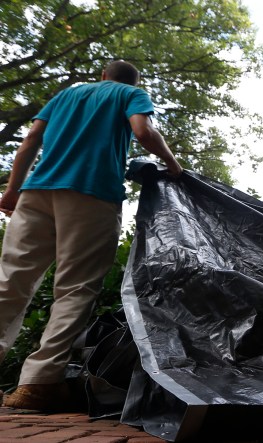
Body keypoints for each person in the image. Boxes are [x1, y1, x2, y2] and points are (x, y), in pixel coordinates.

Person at [0, 60, 183, 411]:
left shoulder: (66, 96)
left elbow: (29, 142)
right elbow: (143, 132)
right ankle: (37, 384)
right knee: (74, 288)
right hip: (92, 195)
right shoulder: (131, 94)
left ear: (102, 76)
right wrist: (173, 165)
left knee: (10, 283)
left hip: (36, 193)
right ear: (133, 82)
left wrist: (12, 192)